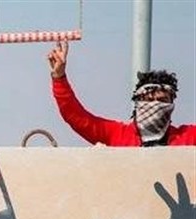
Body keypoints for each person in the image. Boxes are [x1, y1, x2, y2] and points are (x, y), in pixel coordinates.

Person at [47, 41, 196, 146]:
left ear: (171, 104)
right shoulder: (117, 135)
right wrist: (59, 77)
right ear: (138, 102)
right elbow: (77, 118)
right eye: (149, 100)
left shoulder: (188, 137)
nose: (155, 105)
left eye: (162, 100)